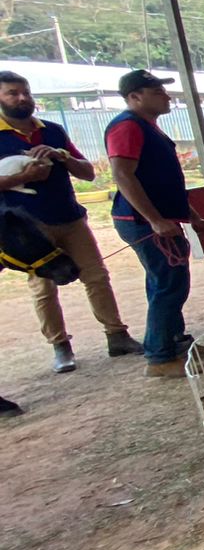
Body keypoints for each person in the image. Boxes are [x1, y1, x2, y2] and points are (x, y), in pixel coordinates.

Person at [0, 70, 139, 373]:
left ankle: (117, 335)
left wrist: (62, 156)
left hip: (70, 217)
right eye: (12, 93)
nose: (22, 98)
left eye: (25, 92)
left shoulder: (51, 130)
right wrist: (23, 178)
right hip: (28, 229)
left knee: (97, 276)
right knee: (44, 287)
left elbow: (88, 172)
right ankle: (60, 346)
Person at [104, 69, 204, 379]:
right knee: (168, 284)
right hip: (143, 221)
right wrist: (154, 219)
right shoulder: (127, 127)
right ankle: (159, 356)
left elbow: (166, 182)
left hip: (161, 218)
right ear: (134, 97)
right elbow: (123, 175)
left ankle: (175, 342)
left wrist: (191, 216)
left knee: (169, 282)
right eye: (157, 92)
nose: (166, 96)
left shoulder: (147, 127)